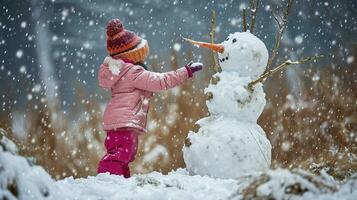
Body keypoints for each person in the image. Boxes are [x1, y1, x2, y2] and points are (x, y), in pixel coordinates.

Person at [97, 19, 203, 178]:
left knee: (123, 154)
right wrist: (185, 71)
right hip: (124, 122)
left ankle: (120, 182)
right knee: (123, 153)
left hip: (116, 121)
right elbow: (161, 81)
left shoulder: (119, 71)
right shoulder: (133, 72)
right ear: (132, 54)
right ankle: (107, 179)